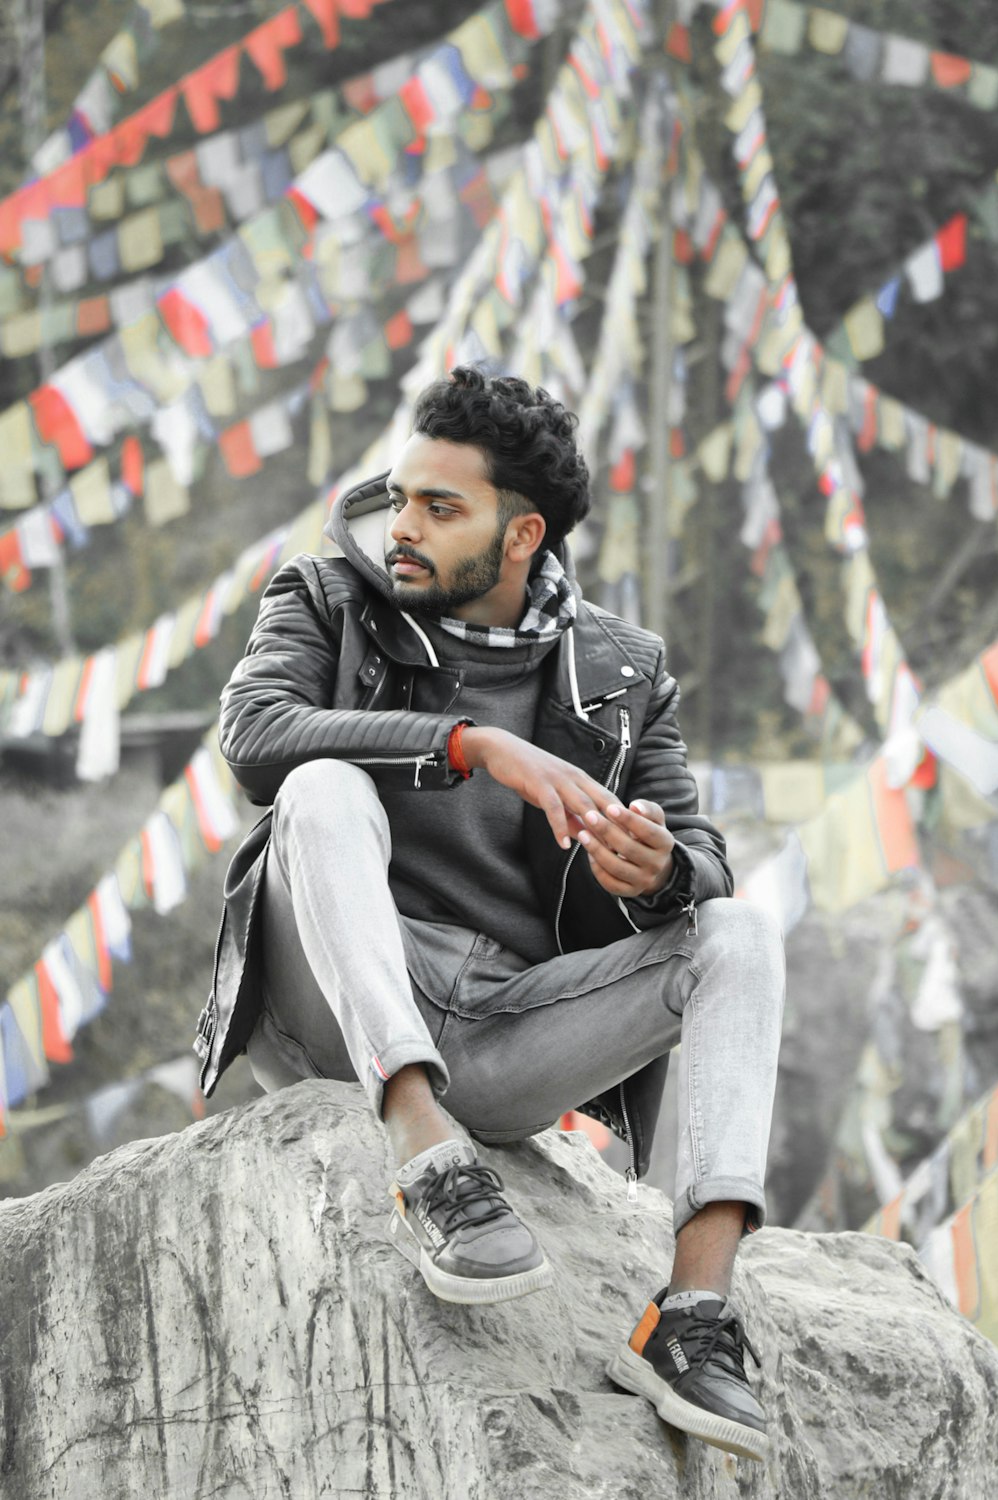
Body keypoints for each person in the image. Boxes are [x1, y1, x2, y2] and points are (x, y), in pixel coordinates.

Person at [195, 366, 785, 1463]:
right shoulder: (324, 596)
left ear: (521, 538)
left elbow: (701, 857)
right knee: (321, 787)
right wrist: (468, 745)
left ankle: (692, 1316)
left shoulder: (622, 669)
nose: (401, 525)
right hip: (335, 1007)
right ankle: (429, 1160)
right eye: (401, 495)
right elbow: (257, 739)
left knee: (737, 932)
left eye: (439, 507)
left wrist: (650, 872)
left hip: (512, 1032)